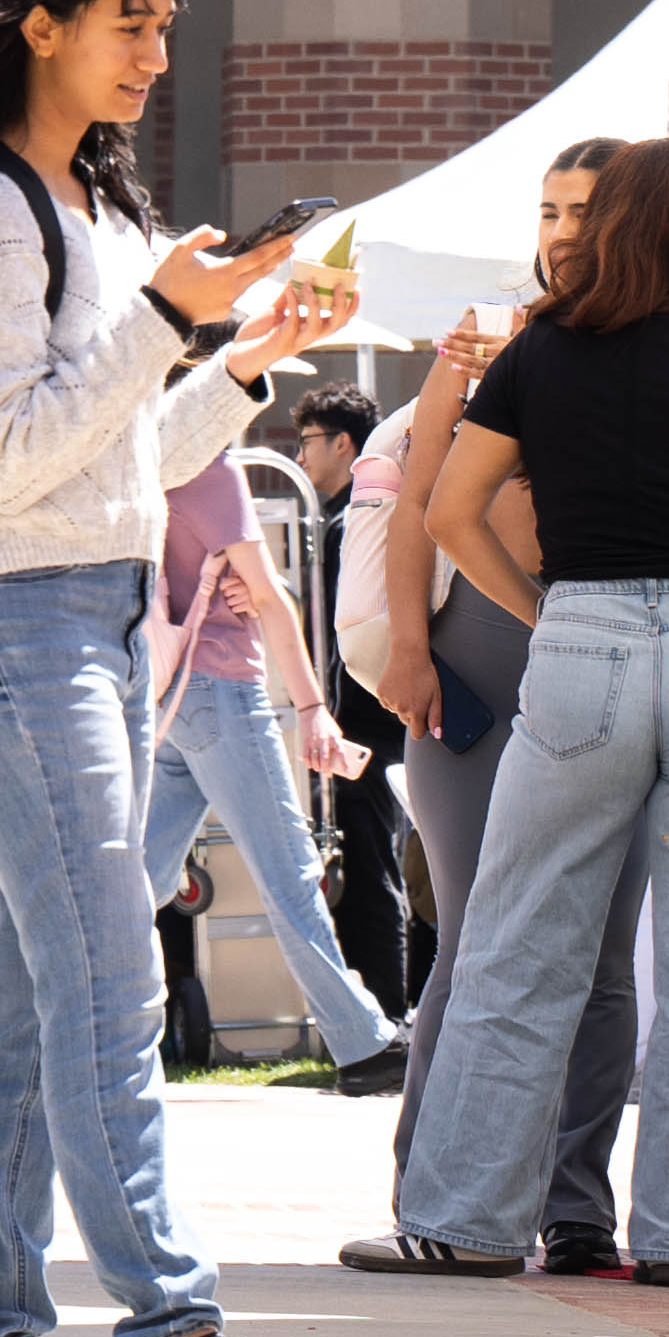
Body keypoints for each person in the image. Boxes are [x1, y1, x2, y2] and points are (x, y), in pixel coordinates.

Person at [0, 0, 345, 1337]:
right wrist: (159, 317)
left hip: (76, 606)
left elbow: (121, 454)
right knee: (108, 981)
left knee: (43, 988)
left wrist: (247, 352)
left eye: (163, 19)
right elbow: (9, 455)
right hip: (1, 616)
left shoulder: (88, 202)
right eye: (132, 16)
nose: (158, 46)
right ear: (44, 23)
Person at [352, 137, 669, 1287]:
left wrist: (541, 605)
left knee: (521, 944)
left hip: (582, 640)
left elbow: (454, 510)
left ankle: (468, 1221)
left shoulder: (540, 360)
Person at [363, 145, 657, 1259]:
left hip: (614, 656)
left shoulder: (666, 343)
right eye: (549, 208)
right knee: (479, 934)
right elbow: (415, 510)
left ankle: (577, 1205)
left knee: (601, 950)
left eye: (587, 207)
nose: (565, 227)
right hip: (477, 663)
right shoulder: (485, 334)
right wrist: (407, 650)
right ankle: (425, 1188)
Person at [135, 449, 402, 1079]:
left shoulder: (148, 456)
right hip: (223, 692)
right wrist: (312, 707)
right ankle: (362, 1044)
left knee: (137, 880)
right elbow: (270, 600)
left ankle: (62, 1022)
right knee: (289, 874)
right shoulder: (211, 469)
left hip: (168, 693)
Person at [279, 381, 412, 1020]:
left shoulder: (343, 525)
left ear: (342, 442)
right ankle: (385, 1013)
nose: (300, 457)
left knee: (371, 869)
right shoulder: (367, 513)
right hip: (382, 715)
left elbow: (344, 630)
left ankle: (384, 1015)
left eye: (307, 442)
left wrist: (322, 713)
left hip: (359, 720)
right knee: (375, 864)